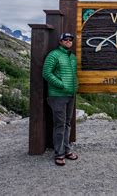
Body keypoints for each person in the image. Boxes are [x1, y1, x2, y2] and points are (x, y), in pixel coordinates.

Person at [42, 32, 79, 166]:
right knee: (59, 124)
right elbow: (46, 73)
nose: (69, 41)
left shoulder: (72, 57)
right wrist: (61, 84)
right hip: (57, 95)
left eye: (70, 39)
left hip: (70, 94)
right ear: (60, 41)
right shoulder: (54, 55)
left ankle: (66, 149)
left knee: (67, 123)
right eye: (66, 39)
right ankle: (59, 153)